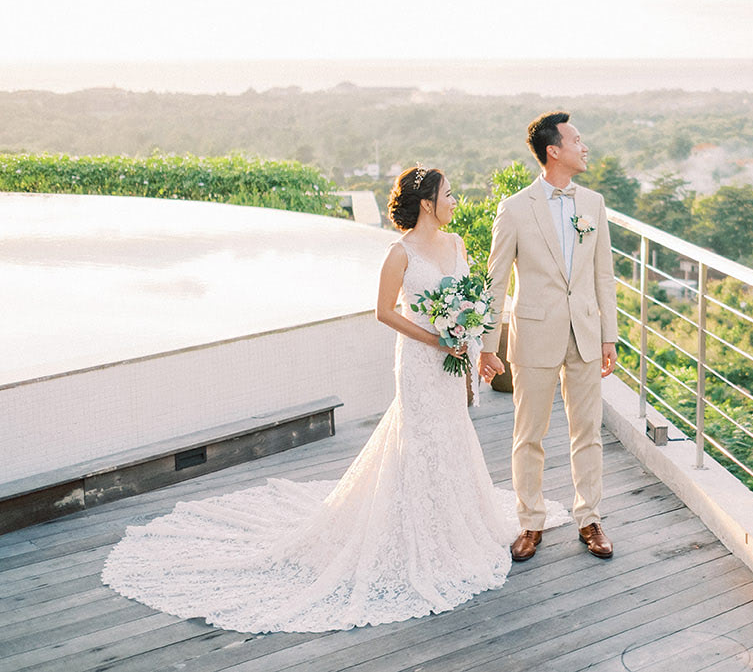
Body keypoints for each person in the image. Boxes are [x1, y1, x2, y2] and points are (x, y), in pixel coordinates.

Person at [101, 166, 564, 633]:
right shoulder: (399, 253)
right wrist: (433, 337)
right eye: (448, 194)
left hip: (450, 363)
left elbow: (470, 301)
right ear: (427, 203)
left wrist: (472, 345)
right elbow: (384, 312)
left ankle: (454, 524)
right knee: (419, 441)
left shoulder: (459, 244)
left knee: (451, 436)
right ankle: (417, 537)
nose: (454, 202)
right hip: (420, 364)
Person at [478, 111, 619, 562]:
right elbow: (495, 280)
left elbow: (604, 276)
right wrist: (486, 345)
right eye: (578, 140)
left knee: (588, 432)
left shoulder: (593, 204)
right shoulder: (515, 208)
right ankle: (530, 522)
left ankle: (589, 518)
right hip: (534, 335)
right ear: (553, 150)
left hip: (585, 333)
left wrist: (609, 337)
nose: (585, 147)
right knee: (529, 434)